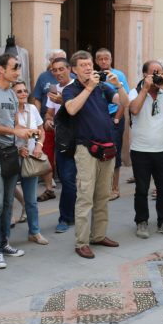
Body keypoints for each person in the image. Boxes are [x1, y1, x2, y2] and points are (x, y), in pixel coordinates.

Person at [62, 50, 129, 258]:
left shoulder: (102, 86)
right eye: (83, 65)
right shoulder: (70, 89)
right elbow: (71, 109)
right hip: (85, 148)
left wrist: (118, 84)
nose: (89, 68)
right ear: (74, 69)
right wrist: (89, 87)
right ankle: (81, 242)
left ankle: (98, 235)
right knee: (85, 197)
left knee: (102, 195)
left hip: (106, 146)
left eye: (89, 64)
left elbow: (124, 103)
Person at [0, 54, 37, 269]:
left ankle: (4, 243)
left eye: (19, 68)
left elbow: (15, 124)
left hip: (11, 152)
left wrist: (25, 133)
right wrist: (14, 130)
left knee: (7, 203)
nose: (18, 72)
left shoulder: (12, 94)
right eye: (14, 67)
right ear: (1, 69)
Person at [128, 60, 163, 239]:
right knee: (142, 189)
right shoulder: (135, 91)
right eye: (153, 73)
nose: (157, 76)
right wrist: (145, 89)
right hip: (140, 150)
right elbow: (134, 110)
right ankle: (141, 222)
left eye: (160, 72)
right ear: (145, 75)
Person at [13, 80, 49, 245]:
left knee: (31, 199)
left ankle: (34, 232)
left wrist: (39, 145)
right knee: (6, 199)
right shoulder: (8, 111)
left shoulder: (32, 109)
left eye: (25, 90)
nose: (23, 94)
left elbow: (41, 131)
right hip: (12, 158)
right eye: (19, 91)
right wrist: (18, 149)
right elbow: (5, 136)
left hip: (31, 158)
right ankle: (4, 237)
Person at [43, 57, 75, 231]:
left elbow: (79, 109)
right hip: (63, 141)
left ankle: (73, 214)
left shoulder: (78, 87)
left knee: (77, 181)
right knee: (67, 180)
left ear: (69, 69)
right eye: (54, 70)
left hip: (81, 140)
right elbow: (49, 113)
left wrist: (62, 102)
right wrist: (48, 121)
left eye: (61, 69)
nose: (57, 73)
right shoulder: (54, 90)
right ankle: (65, 217)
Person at [95, 48, 130, 201]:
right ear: (96, 61)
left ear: (111, 60)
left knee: (114, 152)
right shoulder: (94, 76)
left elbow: (124, 99)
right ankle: (102, 187)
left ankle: (115, 188)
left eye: (106, 58)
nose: (103, 61)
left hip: (114, 116)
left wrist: (117, 118)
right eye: (100, 59)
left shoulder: (118, 75)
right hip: (99, 117)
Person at [31, 49, 66, 115]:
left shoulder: (72, 77)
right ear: (51, 61)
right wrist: (38, 119)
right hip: (46, 118)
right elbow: (37, 99)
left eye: (63, 60)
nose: (61, 62)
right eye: (58, 60)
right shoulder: (43, 76)